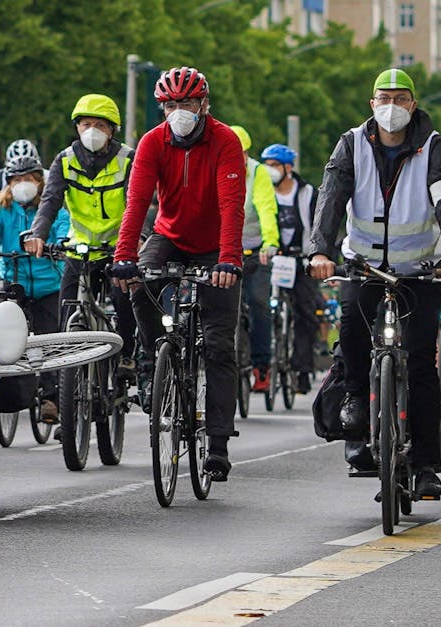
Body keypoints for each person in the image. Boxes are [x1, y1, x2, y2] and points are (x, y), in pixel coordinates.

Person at [307, 69, 441, 498]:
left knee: (420, 363)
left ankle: (424, 465)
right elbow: (331, 197)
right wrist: (319, 250)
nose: (392, 107)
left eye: (400, 98)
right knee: (352, 335)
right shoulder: (351, 143)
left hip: (420, 269)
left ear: (413, 105)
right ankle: (358, 399)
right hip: (363, 266)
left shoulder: (433, 146)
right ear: (372, 104)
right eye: (384, 98)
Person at [108, 66, 247, 480]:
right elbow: (136, 204)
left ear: (204, 104)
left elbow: (231, 206)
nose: (178, 111)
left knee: (220, 346)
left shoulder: (225, 140)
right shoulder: (152, 142)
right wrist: (124, 257)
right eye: (170, 105)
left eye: (186, 103)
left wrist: (229, 260)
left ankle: (219, 445)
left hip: (215, 246)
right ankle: (155, 361)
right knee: (135, 286)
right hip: (169, 236)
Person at [26, 94, 138, 375]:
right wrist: (38, 234)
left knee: (124, 298)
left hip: (116, 248)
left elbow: (137, 204)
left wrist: (134, 242)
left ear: (112, 130)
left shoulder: (127, 159)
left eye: (100, 125)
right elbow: (50, 201)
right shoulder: (64, 160)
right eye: (86, 124)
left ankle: (127, 355)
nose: (92, 131)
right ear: (76, 127)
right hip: (79, 248)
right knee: (66, 304)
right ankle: (65, 365)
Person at [0, 152, 68, 418]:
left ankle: (51, 399)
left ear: (39, 182)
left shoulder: (51, 208)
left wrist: (58, 244)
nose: (23, 184)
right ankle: (3, 389)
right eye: (17, 179)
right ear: (8, 183)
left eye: (29, 178)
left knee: (48, 341)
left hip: (48, 287)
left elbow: (63, 229)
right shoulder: (2, 209)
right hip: (14, 285)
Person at [228, 125, 282, 393]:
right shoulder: (215, 168)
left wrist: (270, 242)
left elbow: (266, 208)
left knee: (259, 303)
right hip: (224, 248)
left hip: (254, 248)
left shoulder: (258, 173)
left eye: (242, 154)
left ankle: (262, 367)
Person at [263, 143, 320, 394]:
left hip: (302, 260)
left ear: (288, 167)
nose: (270, 171)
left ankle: (303, 369)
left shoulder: (308, 192)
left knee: (306, 313)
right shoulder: (262, 190)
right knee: (256, 306)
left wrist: (317, 256)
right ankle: (260, 365)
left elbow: (319, 227)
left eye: (274, 165)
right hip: (271, 260)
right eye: (266, 165)